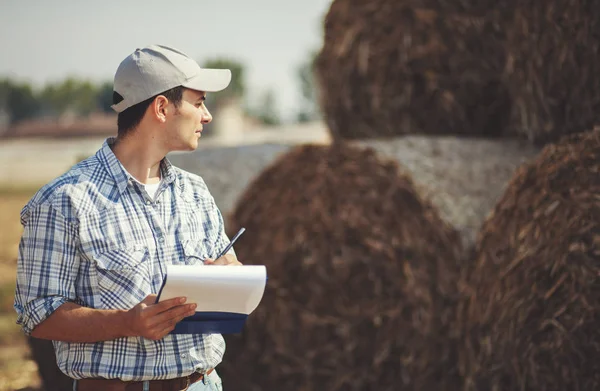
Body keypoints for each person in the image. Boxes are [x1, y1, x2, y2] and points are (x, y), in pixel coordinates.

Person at [14, 44, 242, 391]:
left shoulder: (195, 192)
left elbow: (229, 267)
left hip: (203, 385)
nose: (206, 116)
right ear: (162, 108)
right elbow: (38, 313)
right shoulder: (64, 199)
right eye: (198, 103)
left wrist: (231, 276)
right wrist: (128, 323)